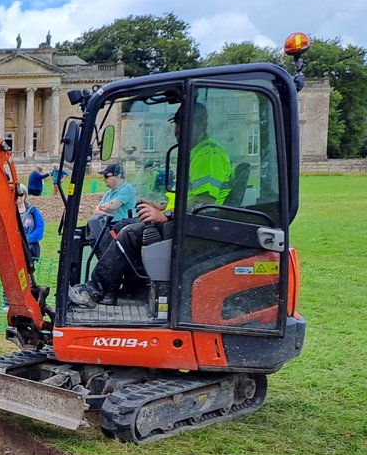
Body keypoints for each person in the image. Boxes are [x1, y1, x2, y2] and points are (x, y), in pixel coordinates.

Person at [70, 104, 232, 309]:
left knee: (129, 234)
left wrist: (166, 216)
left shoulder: (209, 155)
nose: (176, 132)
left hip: (198, 226)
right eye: (176, 125)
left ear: (200, 123)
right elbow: (188, 198)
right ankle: (130, 289)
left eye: (181, 125)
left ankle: (96, 291)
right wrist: (160, 207)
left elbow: (205, 201)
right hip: (186, 219)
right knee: (120, 226)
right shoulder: (198, 152)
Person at [85, 162, 139, 254]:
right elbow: (96, 212)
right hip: (109, 230)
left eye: (106, 176)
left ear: (118, 176)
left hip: (123, 231)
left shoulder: (127, 189)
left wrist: (107, 208)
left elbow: (112, 207)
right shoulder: (108, 193)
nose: (104, 179)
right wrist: (108, 209)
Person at [18, 185, 45, 266]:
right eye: (16, 194)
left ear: (25, 195)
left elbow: (40, 227)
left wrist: (29, 238)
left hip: (29, 249)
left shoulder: (33, 210)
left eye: (21, 194)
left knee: (27, 275)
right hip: (15, 247)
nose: (18, 197)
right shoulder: (9, 211)